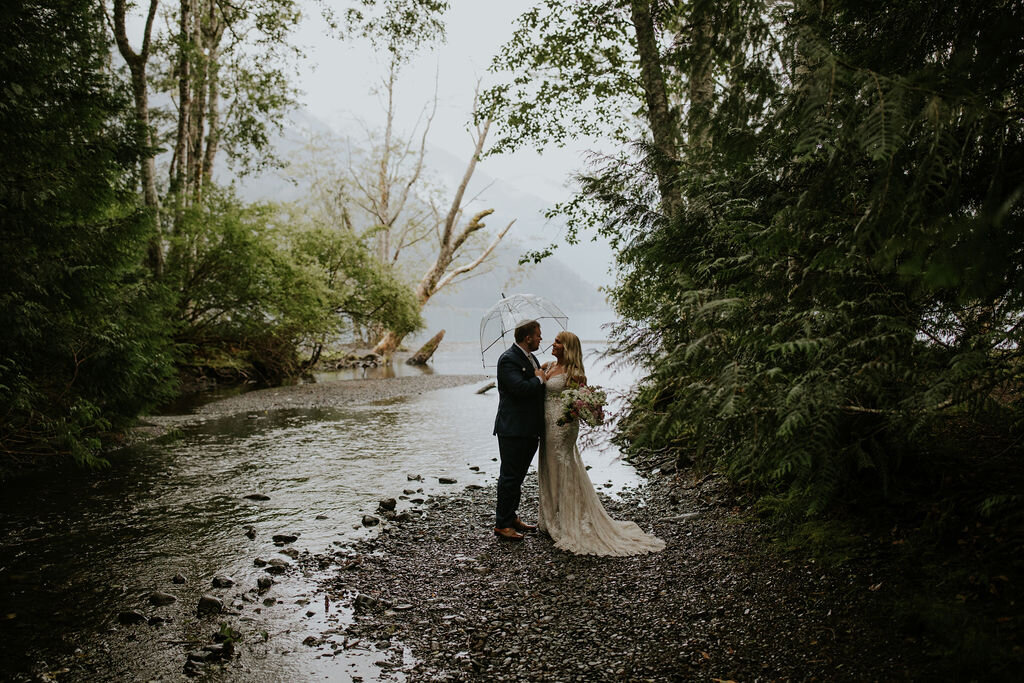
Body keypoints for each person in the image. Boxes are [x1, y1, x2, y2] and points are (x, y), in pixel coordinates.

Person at [538, 331, 665, 556]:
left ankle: (568, 519)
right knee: (548, 466)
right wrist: (540, 376)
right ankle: (550, 518)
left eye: (558, 341)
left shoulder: (575, 374)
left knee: (563, 465)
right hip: (546, 424)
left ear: (567, 347)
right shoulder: (547, 366)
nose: (553, 344)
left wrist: (579, 411)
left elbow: (584, 404)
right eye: (554, 340)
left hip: (564, 427)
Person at [492, 320, 546, 540]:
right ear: (528, 337)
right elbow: (519, 389)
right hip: (513, 428)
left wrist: (542, 374)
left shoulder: (530, 357)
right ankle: (502, 524)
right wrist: (540, 379)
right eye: (538, 335)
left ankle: (512, 516)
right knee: (510, 477)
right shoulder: (508, 359)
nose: (541, 338)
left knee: (519, 476)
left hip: (528, 428)